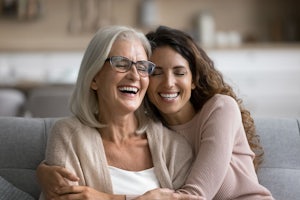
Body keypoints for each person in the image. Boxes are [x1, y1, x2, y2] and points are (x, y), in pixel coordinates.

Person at [37, 25, 274, 199]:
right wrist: (42, 170)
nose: (168, 83)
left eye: (180, 72)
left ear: (194, 79)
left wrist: (104, 197)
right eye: (156, 72)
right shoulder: (163, 131)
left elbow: (195, 197)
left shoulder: (217, 111)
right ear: (94, 77)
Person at [38, 25, 195, 200]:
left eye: (142, 67)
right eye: (121, 63)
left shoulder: (173, 147)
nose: (135, 75)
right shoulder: (69, 136)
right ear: (94, 77)